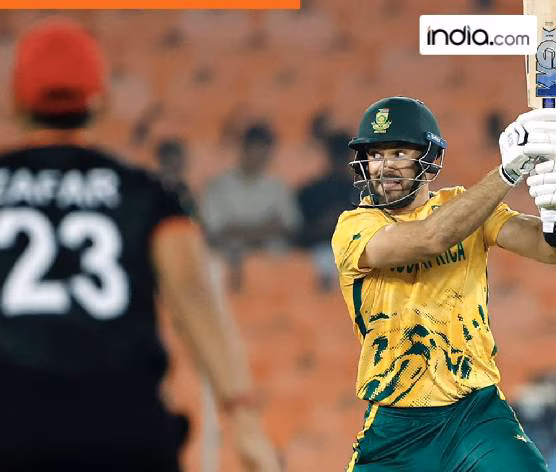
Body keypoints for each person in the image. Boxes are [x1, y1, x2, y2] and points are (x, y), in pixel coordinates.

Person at [0, 17, 280, 472]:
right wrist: (243, 418)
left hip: (0, 435)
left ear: (16, 101)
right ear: (100, 102)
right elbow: (195, 297)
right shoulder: (148, 196)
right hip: (125, 436)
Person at [332, 96, 555, 471]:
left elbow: (548, 250)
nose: (384, 166)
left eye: (399, 152)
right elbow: (430, 239)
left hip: (476, 414)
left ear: (430, 158)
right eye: (375, 154)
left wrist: (552, 210)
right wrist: (507, 172)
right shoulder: (353, 227)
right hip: (396, 427)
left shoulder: (466, 207)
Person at [200, 123, 301, 290]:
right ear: (244, 149)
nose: (260, 157)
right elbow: (215, 230)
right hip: (229, 260)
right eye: (256, 150)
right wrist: (265, 228)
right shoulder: (219, 185)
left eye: (265, 152)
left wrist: (239, 229)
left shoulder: (277, 186)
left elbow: (290, 225)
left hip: (270, 262)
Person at [296, 130, 355, 292]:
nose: (339, 160)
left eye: (343, 155)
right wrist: (324, 226)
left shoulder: (362, 192)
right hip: (320, 249)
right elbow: (299, 235)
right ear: (328, 156)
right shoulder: (311, 192)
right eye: (336, 155)